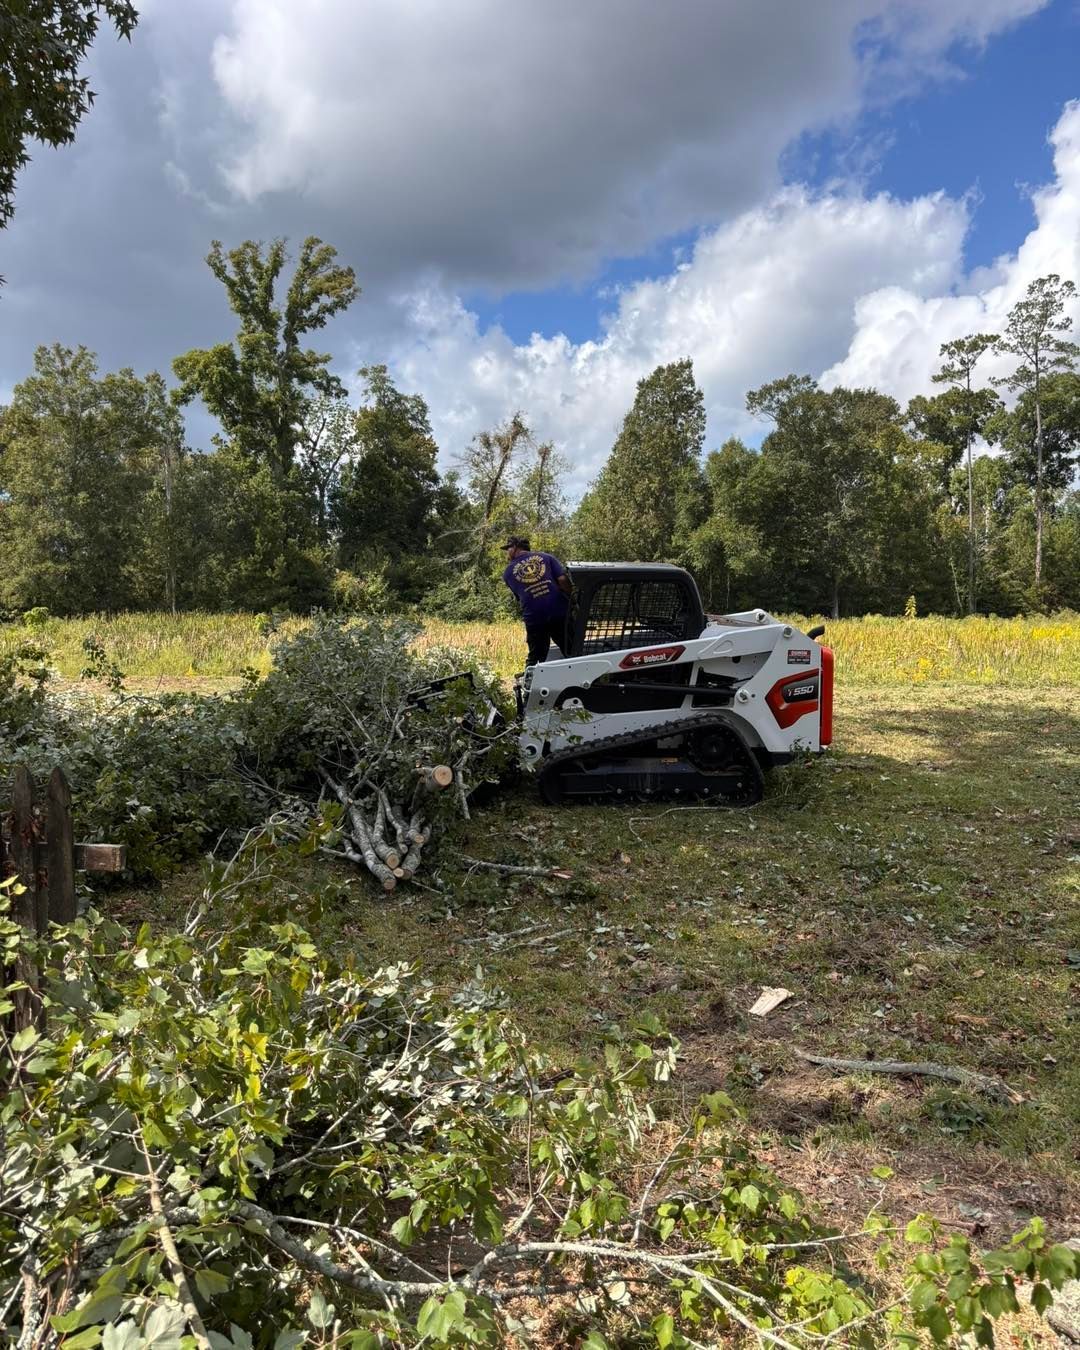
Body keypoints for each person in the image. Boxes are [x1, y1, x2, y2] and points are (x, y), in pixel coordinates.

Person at [501, 536, 573, 666]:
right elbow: (562, 580)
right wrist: (572, 599)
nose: (507, 552)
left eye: (508, 548)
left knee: (536, 657)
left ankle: (532, 681)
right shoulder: (546, 557)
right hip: (559, 612)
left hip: (534, 618)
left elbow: (521, 596)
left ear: (516, 548)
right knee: (572, 649)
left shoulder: (507, 573)